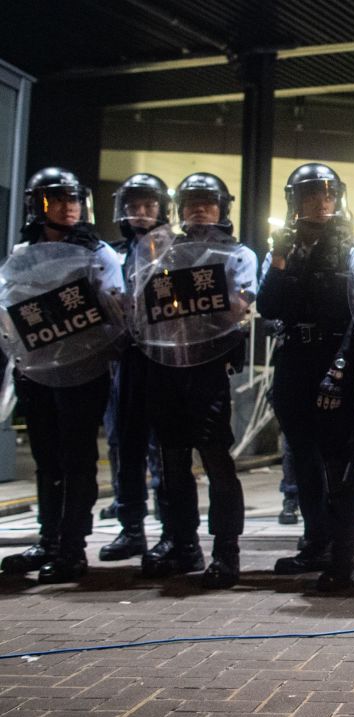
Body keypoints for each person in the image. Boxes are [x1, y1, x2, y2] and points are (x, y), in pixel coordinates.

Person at [0, 168, 122, 583]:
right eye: (59, 200)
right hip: (36, 370)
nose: (70, 208)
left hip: (82, 371)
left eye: (74, 200)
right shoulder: (21, 253)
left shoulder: (98, 252)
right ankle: (48, 540)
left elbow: (117, 311)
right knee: (46, 460)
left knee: (77, 460)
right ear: (39, 205)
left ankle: (71, 548)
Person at [136, 172, 254, 588]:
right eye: (191, 202)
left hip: (208, 368)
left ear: (223, 207)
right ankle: (182, 543)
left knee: (216, 460)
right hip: (166, 364)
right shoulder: (158, 252)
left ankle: (227, 552)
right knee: (171, 461)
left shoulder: (238, 254)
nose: (200, 209)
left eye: (208, 201)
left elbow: (237, 308)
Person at [259, 162, 354, 591]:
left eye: (327, 195)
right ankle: (316, 542)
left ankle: (345, 556)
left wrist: (344, 366)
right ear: (295, 202)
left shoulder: (353, 248)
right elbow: (268, 306)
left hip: (335, 356)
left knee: (342, 460)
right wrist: (282, 258)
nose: (321, 204)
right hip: (294, 360)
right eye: (311, 196)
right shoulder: (282, 250)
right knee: (303, 458)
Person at [98, 173, 169, 563]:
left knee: (165, 446)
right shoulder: (111, 255)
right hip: (127, 359)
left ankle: (169, 529)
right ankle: (132, 528)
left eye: (148, 207)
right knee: (127, 444)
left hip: (165, 359)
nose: (141, 215)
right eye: (133, 208)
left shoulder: (176, 252)